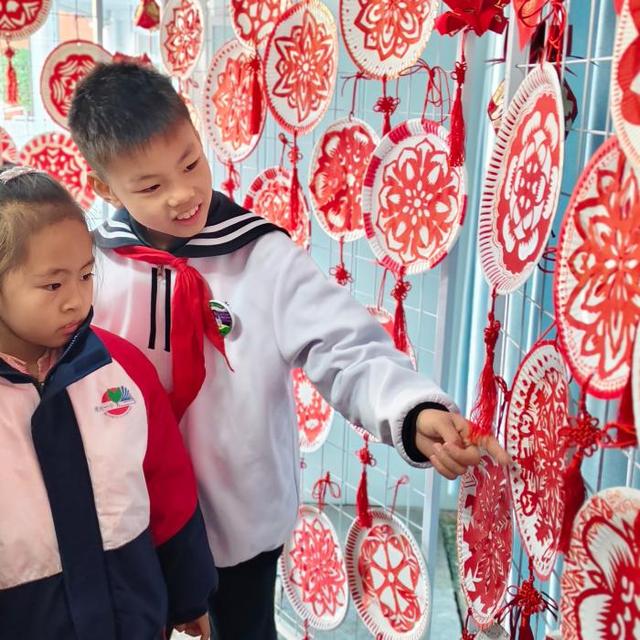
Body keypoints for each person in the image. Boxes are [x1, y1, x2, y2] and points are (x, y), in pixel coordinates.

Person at [69, 62, 509, 640]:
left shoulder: (262, 257)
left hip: (242, 519)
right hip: (137, 519)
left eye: (191, 164)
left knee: (245, 629)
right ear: (106, 188)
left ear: (198, 135)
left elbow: (345, 346)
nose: (182, 195)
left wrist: (412, 409)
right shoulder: (93, 268)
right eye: (150, 187)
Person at [0, 165, 216, 640]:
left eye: (85, 275)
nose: (76, 300)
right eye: (53, 285)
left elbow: (168, 487)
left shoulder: (122, 368)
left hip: (133, 617)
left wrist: (189, 595)